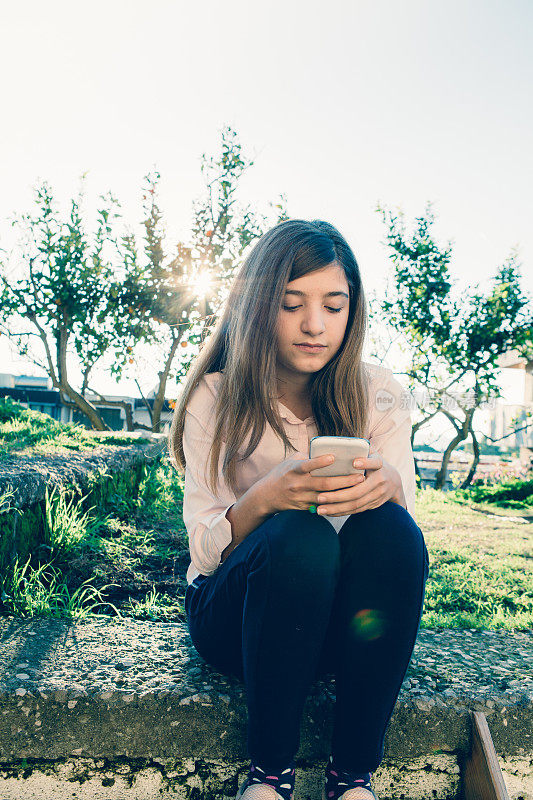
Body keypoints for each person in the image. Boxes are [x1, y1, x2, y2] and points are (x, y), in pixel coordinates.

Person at [169, 219, 430, 800]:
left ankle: (353, 779)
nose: (315, 325)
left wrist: (385, 486)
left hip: (338, 627)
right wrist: (264, 500)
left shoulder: (380, 392)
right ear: (260, 306)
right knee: (298, 537)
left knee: (391, 526)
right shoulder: (216, 395)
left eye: (334, 307)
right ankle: (268, 777)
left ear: (351, 313)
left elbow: (397, 553)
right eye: (292, 304)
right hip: (237, 619)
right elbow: (203, 547)